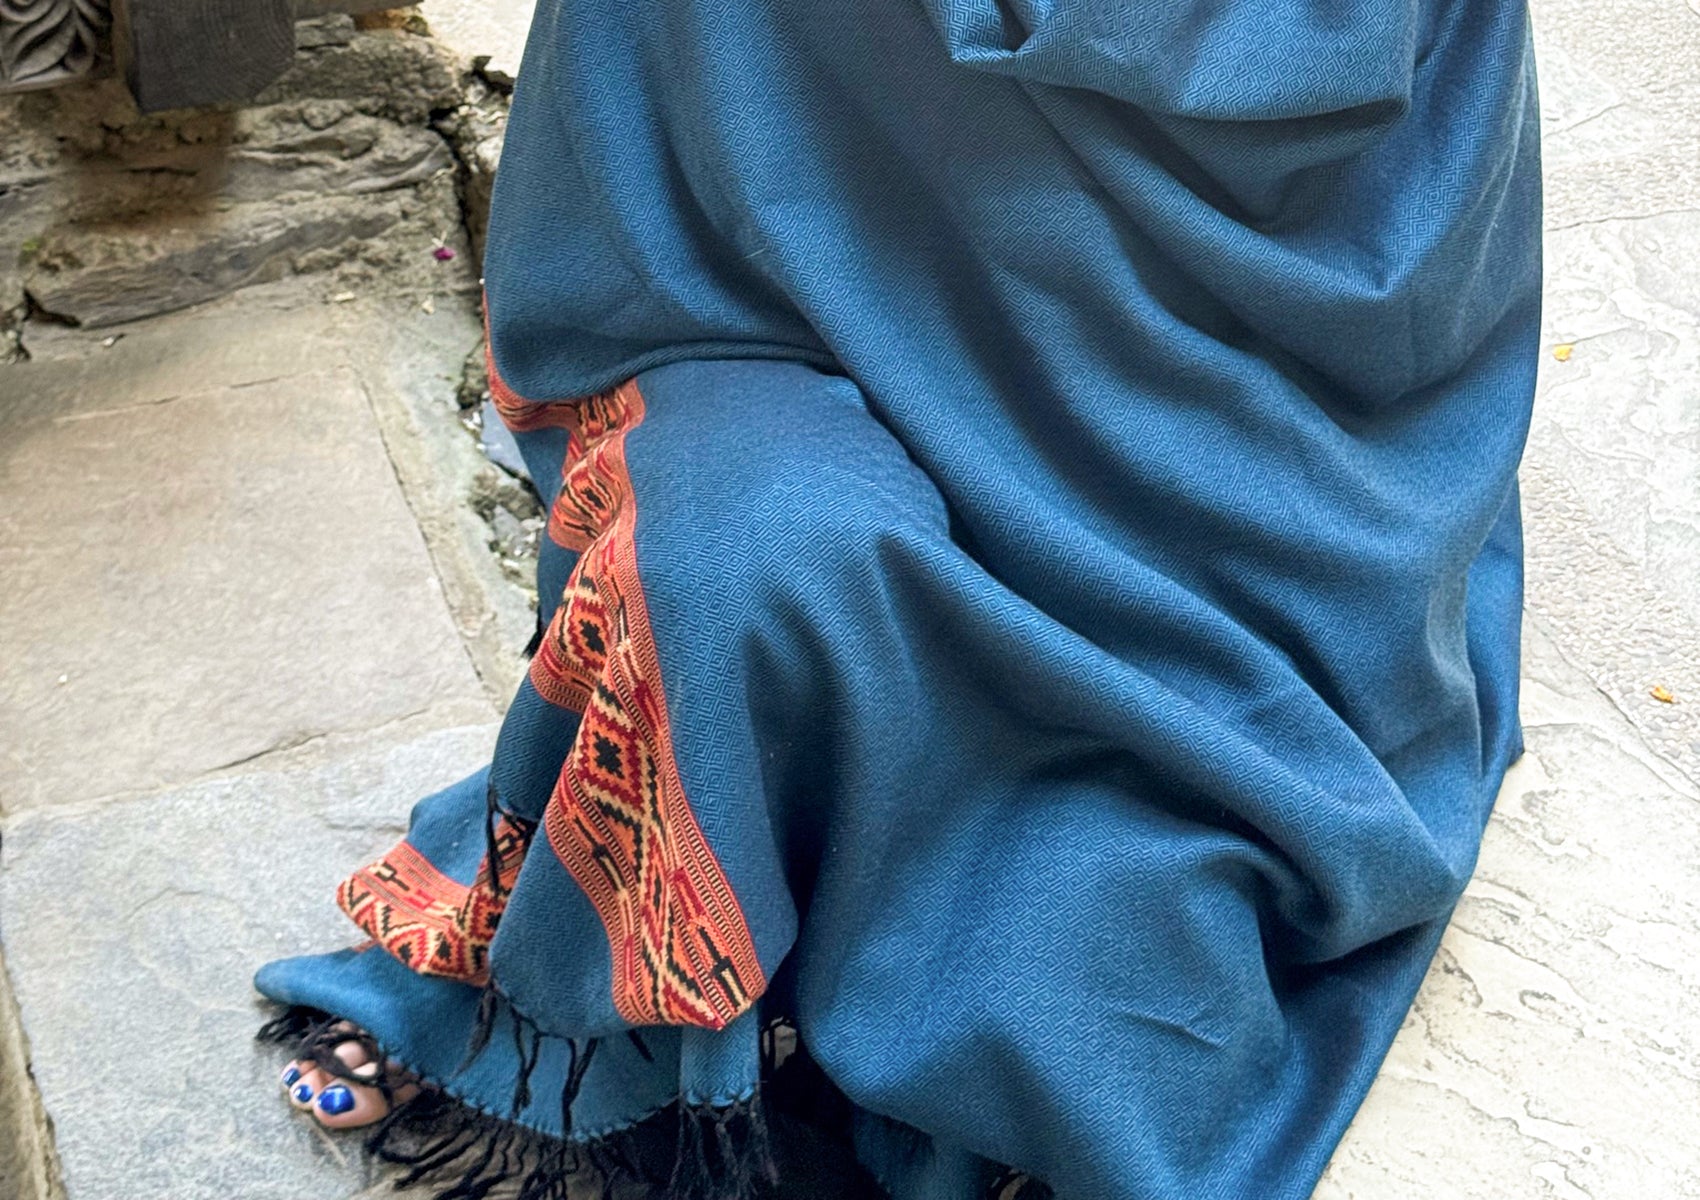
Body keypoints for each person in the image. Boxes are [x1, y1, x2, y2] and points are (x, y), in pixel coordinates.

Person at [255, 0, 1543, 1196]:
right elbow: (636, 139)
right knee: (725, 558)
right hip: (812, 313)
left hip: (1223, 454)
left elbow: (1347, 81)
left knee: (1071, 1003)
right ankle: (589, 1018)